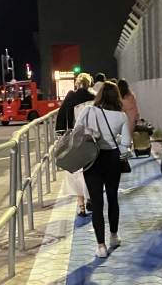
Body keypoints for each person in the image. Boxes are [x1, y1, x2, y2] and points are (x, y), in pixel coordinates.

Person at [77, 81, 132, 259]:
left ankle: (101, 246)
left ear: (100, 95)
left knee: (97, 203)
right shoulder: (121, 116)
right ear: (116, 97)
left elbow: (77, 132)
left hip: (91, 158)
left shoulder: (88, 111)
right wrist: (119, 150)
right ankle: (114, 236)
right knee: (112, 198)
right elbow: (126, 143)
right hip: (112, 159)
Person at [56, 73, 95, 216]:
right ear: (89, 83)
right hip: (91, 139)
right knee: (91, 170)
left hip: (75, 139)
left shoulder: (71, 96)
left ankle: (81, 205)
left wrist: (61, 135)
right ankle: (91, 197)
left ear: (77, 83)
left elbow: (61, 117)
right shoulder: (94, 97)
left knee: (76, 172)